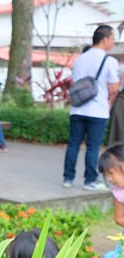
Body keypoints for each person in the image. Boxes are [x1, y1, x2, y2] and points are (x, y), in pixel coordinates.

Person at [63, 24, 119, 191]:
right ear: (105, 39)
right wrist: (109, 102)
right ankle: (90, 180)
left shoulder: (80, 59)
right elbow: (114, 88)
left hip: (77, 108)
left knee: (73, 143)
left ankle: (68, 178)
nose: (113, 43)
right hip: (98, 110)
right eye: (113, 39)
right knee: (93, 146)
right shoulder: (109, 61)